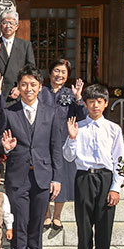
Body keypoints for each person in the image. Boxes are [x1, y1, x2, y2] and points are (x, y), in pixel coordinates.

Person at [0, 64, 63, 249]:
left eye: (33, 84)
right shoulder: (9, 112)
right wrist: (5, 147)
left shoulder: (51, 113)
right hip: (18, 176)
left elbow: (56, 147)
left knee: (36, 224)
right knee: (21, 223)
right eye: (24, 84)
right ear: (18, 86)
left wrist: (56, 178)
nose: (28, 88)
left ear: (40, 86)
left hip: (43, 176)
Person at [64, 84, 124, 249]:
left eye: (99, 101)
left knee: (104, 225)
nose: (95, 105)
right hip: (84, 177)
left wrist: (116, 187)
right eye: (91, 102)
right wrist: (72, 138)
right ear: (85, 103)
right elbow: (68, 155)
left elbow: (120, 160)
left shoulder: (113, 129)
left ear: (106, 104)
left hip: (106, 178)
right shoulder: (77, 126)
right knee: (84, 224)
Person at [40, 58, 86, 231]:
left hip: (63, 140)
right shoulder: (41, 91)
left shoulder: (70, 93)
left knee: (63, 177)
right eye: (56, 71)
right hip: (42, 140)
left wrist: (78, 97)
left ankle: (57, 216)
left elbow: (81, 116)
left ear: (68, 76)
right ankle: (45, 215)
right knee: (44, 176)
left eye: (63, 72)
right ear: (50, 72)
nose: (59, 75)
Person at [0, 10, 36, 105]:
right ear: (0, 25)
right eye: (5, 22)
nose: (8, 26)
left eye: (11, 23)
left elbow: (31, 70)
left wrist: (20, 87)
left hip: (17, 94)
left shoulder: (25, 45)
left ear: (17, 26)